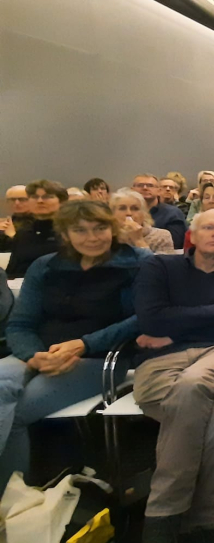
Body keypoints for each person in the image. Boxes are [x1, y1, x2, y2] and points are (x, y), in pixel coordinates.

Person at [130, 208, 214, 543]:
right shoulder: (160, 267)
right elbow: (152, 320)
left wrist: (176, 329)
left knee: (193, 385)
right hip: (161, 361)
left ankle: (161, 517)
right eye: (208, 226)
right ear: (192, 234)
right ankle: (203, 524)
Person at [0, 200, 152, 486]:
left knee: (16, 414)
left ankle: (12, 499)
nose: (92, 237)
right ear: (65, 233)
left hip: (99, 358)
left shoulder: (138, 262)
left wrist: (83, 344)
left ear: (112, 227)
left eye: (99, 228)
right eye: (80, 230)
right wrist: (34, 355)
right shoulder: (45, 266)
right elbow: (20, 324)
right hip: (35, 352)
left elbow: (143, 318)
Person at [6, 180, 68, 278]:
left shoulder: (69, 233)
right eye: (34, 197)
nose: (40, 201)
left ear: (62, 202)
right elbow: (12, 270)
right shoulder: (23, 234)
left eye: (47, 197)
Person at [109, 188, 175, 255]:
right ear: (112, 213)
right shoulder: (108, 235)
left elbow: (162, 264)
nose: (129, 213)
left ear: (143, 213)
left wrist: (139, 241)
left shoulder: (161, 236)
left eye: (135, 208)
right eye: (122, 208)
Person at [134, 175, 187, 249]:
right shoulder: (126, 212)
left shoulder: (173, 213)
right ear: (132, 189)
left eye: (150, 185)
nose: (145, 188)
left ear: (159, 190)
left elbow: (175, 246)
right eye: (140, 185)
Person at [0, 185, 32, 251]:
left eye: (22, 199)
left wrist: (12, 236)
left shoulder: (41, 222)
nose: (17, 203)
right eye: (12, 199)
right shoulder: (9, 222)